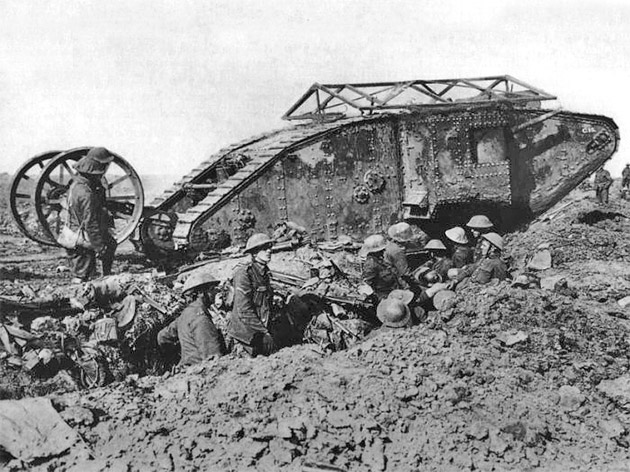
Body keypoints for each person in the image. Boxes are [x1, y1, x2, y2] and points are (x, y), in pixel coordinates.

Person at [66, 147, 117, 282]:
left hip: (73, 234)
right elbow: (90, 223)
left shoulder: (76, 185)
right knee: (82, 278)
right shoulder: (86, 194)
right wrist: (100, 247)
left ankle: (104, 277)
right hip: (81, 241)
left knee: (110, 243)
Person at [157, 270, 226, 365]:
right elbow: (213, 359)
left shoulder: (185, 314)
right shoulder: (201, 319)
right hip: (200, 372)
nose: (216, 292)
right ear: (200, 293)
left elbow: (162, 337)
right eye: (212, 289)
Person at [227, 233, 276, 357]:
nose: (269, 250)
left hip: (258, 331)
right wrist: (264, 332)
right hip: (245, 337)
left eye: (270, 247)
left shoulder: (264, 273)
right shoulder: (244, 274)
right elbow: (244, 310)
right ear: (254, 253)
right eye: (264, 248)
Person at [360, 234, 403, 301]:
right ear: (375, 251)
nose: (384, 250)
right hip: (385, 298)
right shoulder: (371, 264)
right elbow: (367, 283)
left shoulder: (379, 260)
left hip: (393, 292)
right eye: (382, 249)